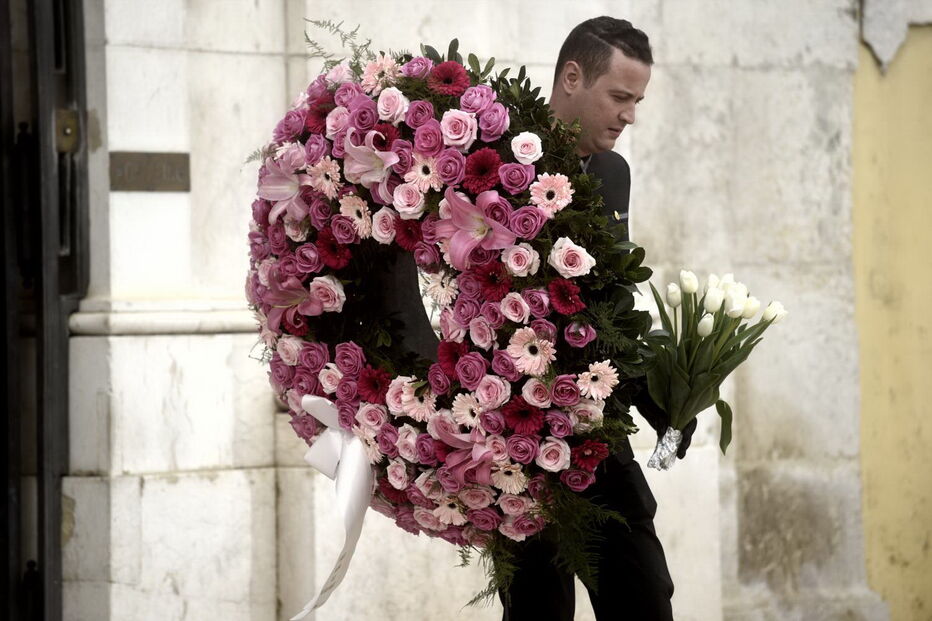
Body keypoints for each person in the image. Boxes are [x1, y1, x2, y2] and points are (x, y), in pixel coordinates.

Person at [497, 16, 695, 621]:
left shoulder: (611, 174)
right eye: (619, 97)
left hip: (595, 435)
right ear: (572, 77)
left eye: (637, 101)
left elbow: (610, 304)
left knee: (643, 597)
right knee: (536, 608)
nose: (629, 115)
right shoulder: (494, 159)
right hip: (513, 436)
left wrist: (658, 393)